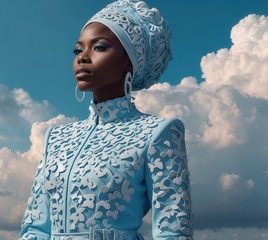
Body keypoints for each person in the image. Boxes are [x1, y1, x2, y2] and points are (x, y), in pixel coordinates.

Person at [20, 0, 193, 239]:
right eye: (78, 50)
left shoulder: (159, 132)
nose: (83, 57)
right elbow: (34, 228)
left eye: (99, 47)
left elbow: (173, 231)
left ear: (129, 62)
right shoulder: (56, 138)